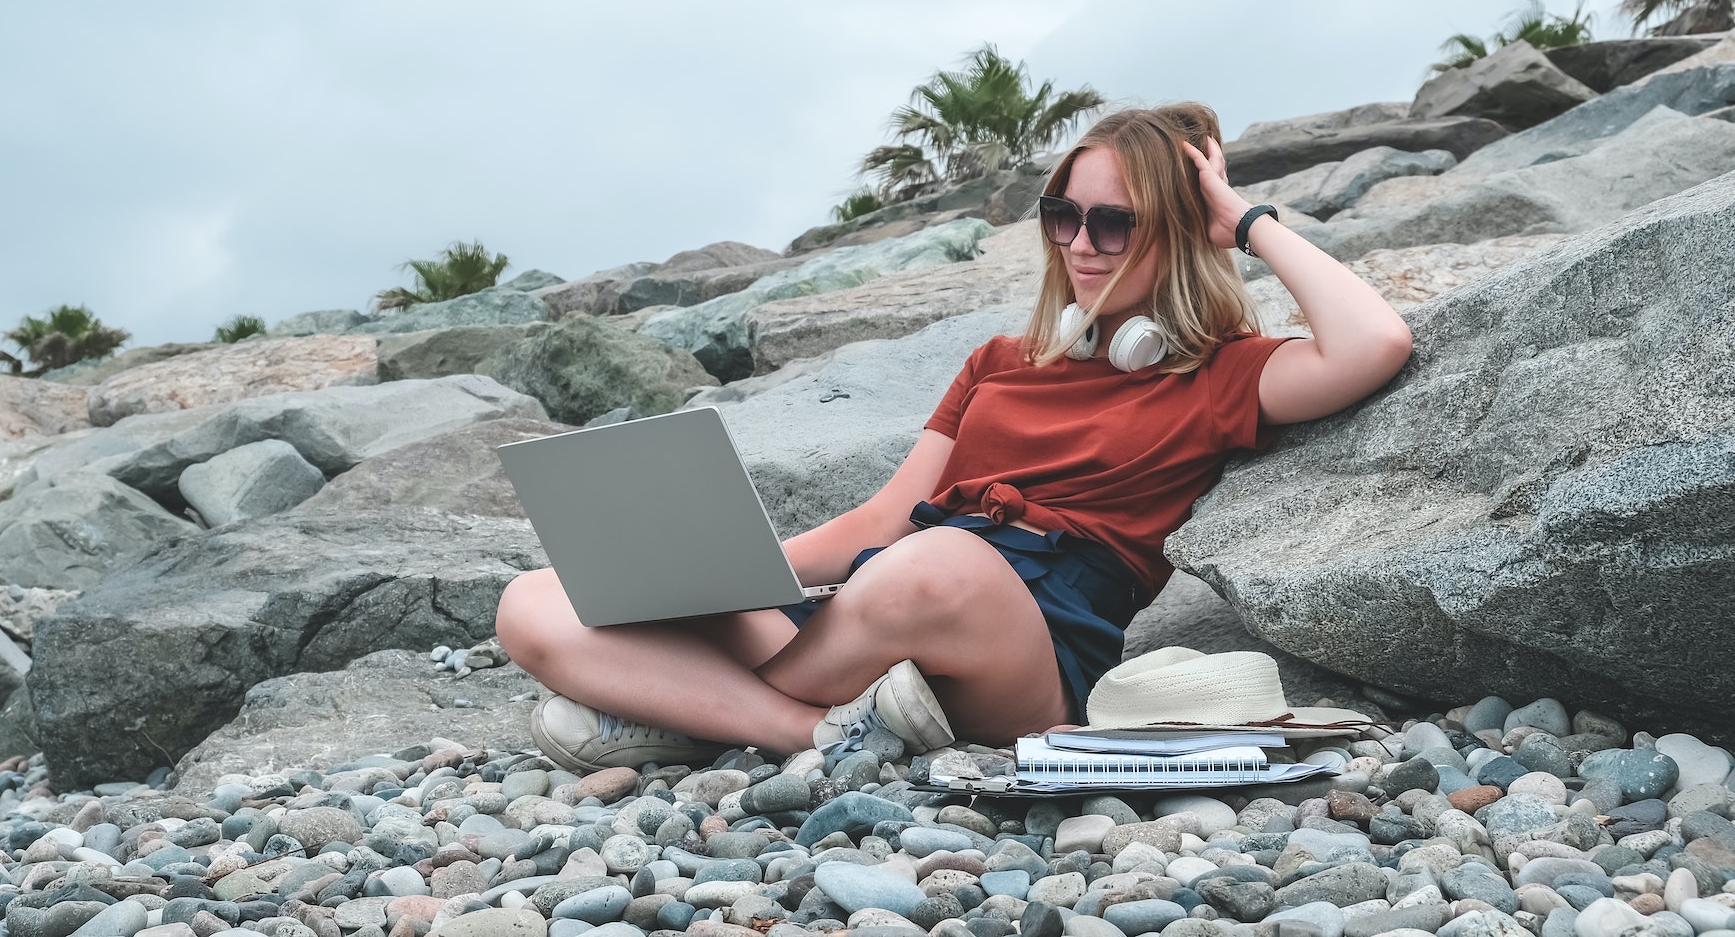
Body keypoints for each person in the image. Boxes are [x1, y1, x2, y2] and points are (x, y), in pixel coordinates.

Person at [496, 103, 1414, 773]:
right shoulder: (1000, 359)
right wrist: (713, 571)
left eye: (1115, 222)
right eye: (1064, 216)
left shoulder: (1222, 371)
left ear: (1177, 233)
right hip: (875, 609)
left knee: (938, 567)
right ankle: (807, 733)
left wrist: (1243, 221)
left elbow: (1374, 342)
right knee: (535, 600)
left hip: (1022, 649)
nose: (1081, 245)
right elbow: (884, 518)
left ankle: (683, 711)